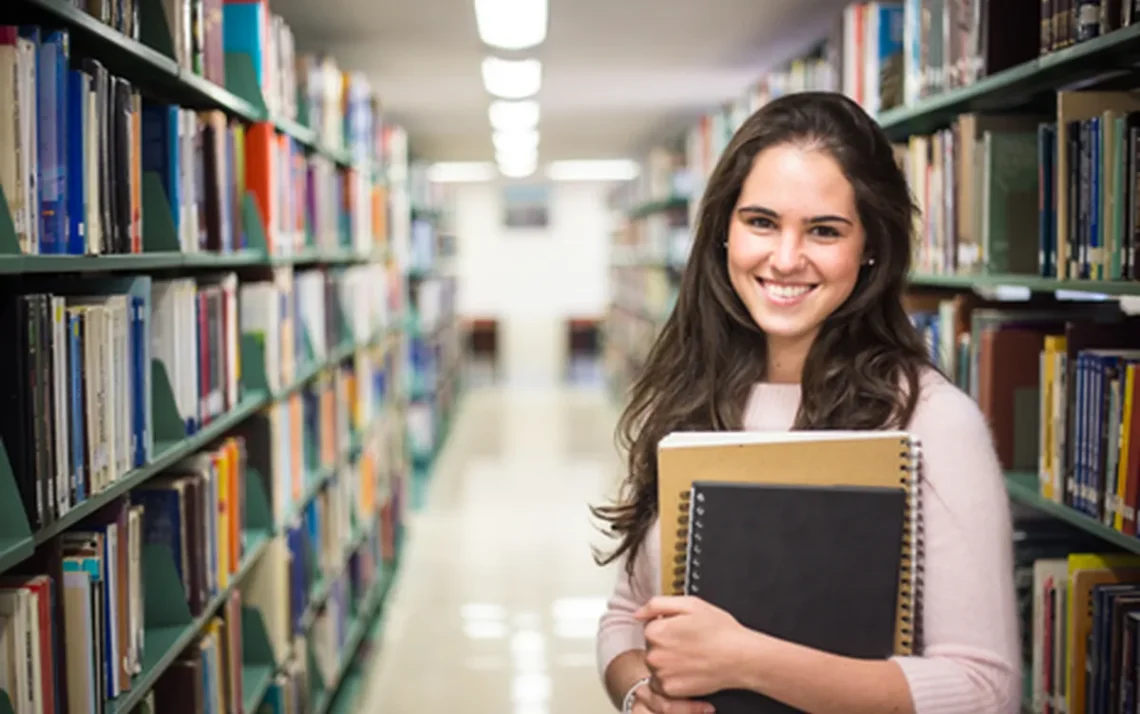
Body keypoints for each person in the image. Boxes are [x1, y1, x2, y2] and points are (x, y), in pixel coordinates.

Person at [590, 91, 1021, 714]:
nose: (786, 259)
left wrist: (745, 660)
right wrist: (637, 693)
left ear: (870, 245)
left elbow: (985, 689)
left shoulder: (932, 420)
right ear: (723, 231)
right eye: (761, 222)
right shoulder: (689, 394)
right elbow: (627, 616)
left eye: (823, 231)